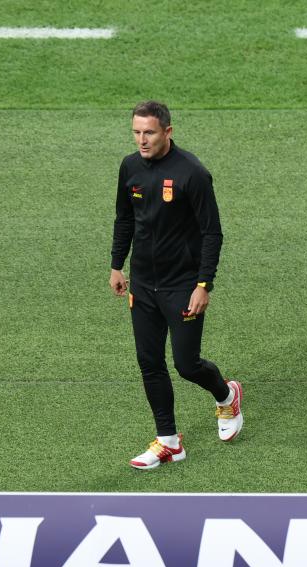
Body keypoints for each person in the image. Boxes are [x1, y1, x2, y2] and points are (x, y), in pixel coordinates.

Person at [110, 100, 243, 470]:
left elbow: (212, 232)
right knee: (149, 361)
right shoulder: (130, 167)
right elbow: (124, 218)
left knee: (186, 364)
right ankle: (169, 441)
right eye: (136, 132)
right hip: (143, 285)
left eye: (149, 132)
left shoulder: (192, 173)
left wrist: (204, 285)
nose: (142, 140)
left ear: (167, 131)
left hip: (182, 285)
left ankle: (226, 395)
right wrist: (117, 265)